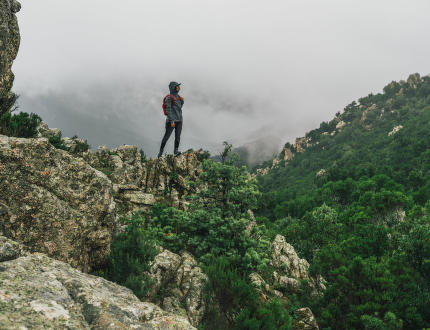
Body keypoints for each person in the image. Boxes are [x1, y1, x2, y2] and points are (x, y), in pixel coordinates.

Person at [158, 81, 184, 158]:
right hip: (171, 121)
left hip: (179, 120)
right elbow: (168, 109)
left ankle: (176, 150)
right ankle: (160, 152)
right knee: (166, 137)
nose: (179, 87)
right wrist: (172, 120)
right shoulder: (169, 98)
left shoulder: (179, 98)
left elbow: (179, 108)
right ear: (173, 87)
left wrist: (182, 101)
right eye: (177, 86)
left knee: (178, 136)